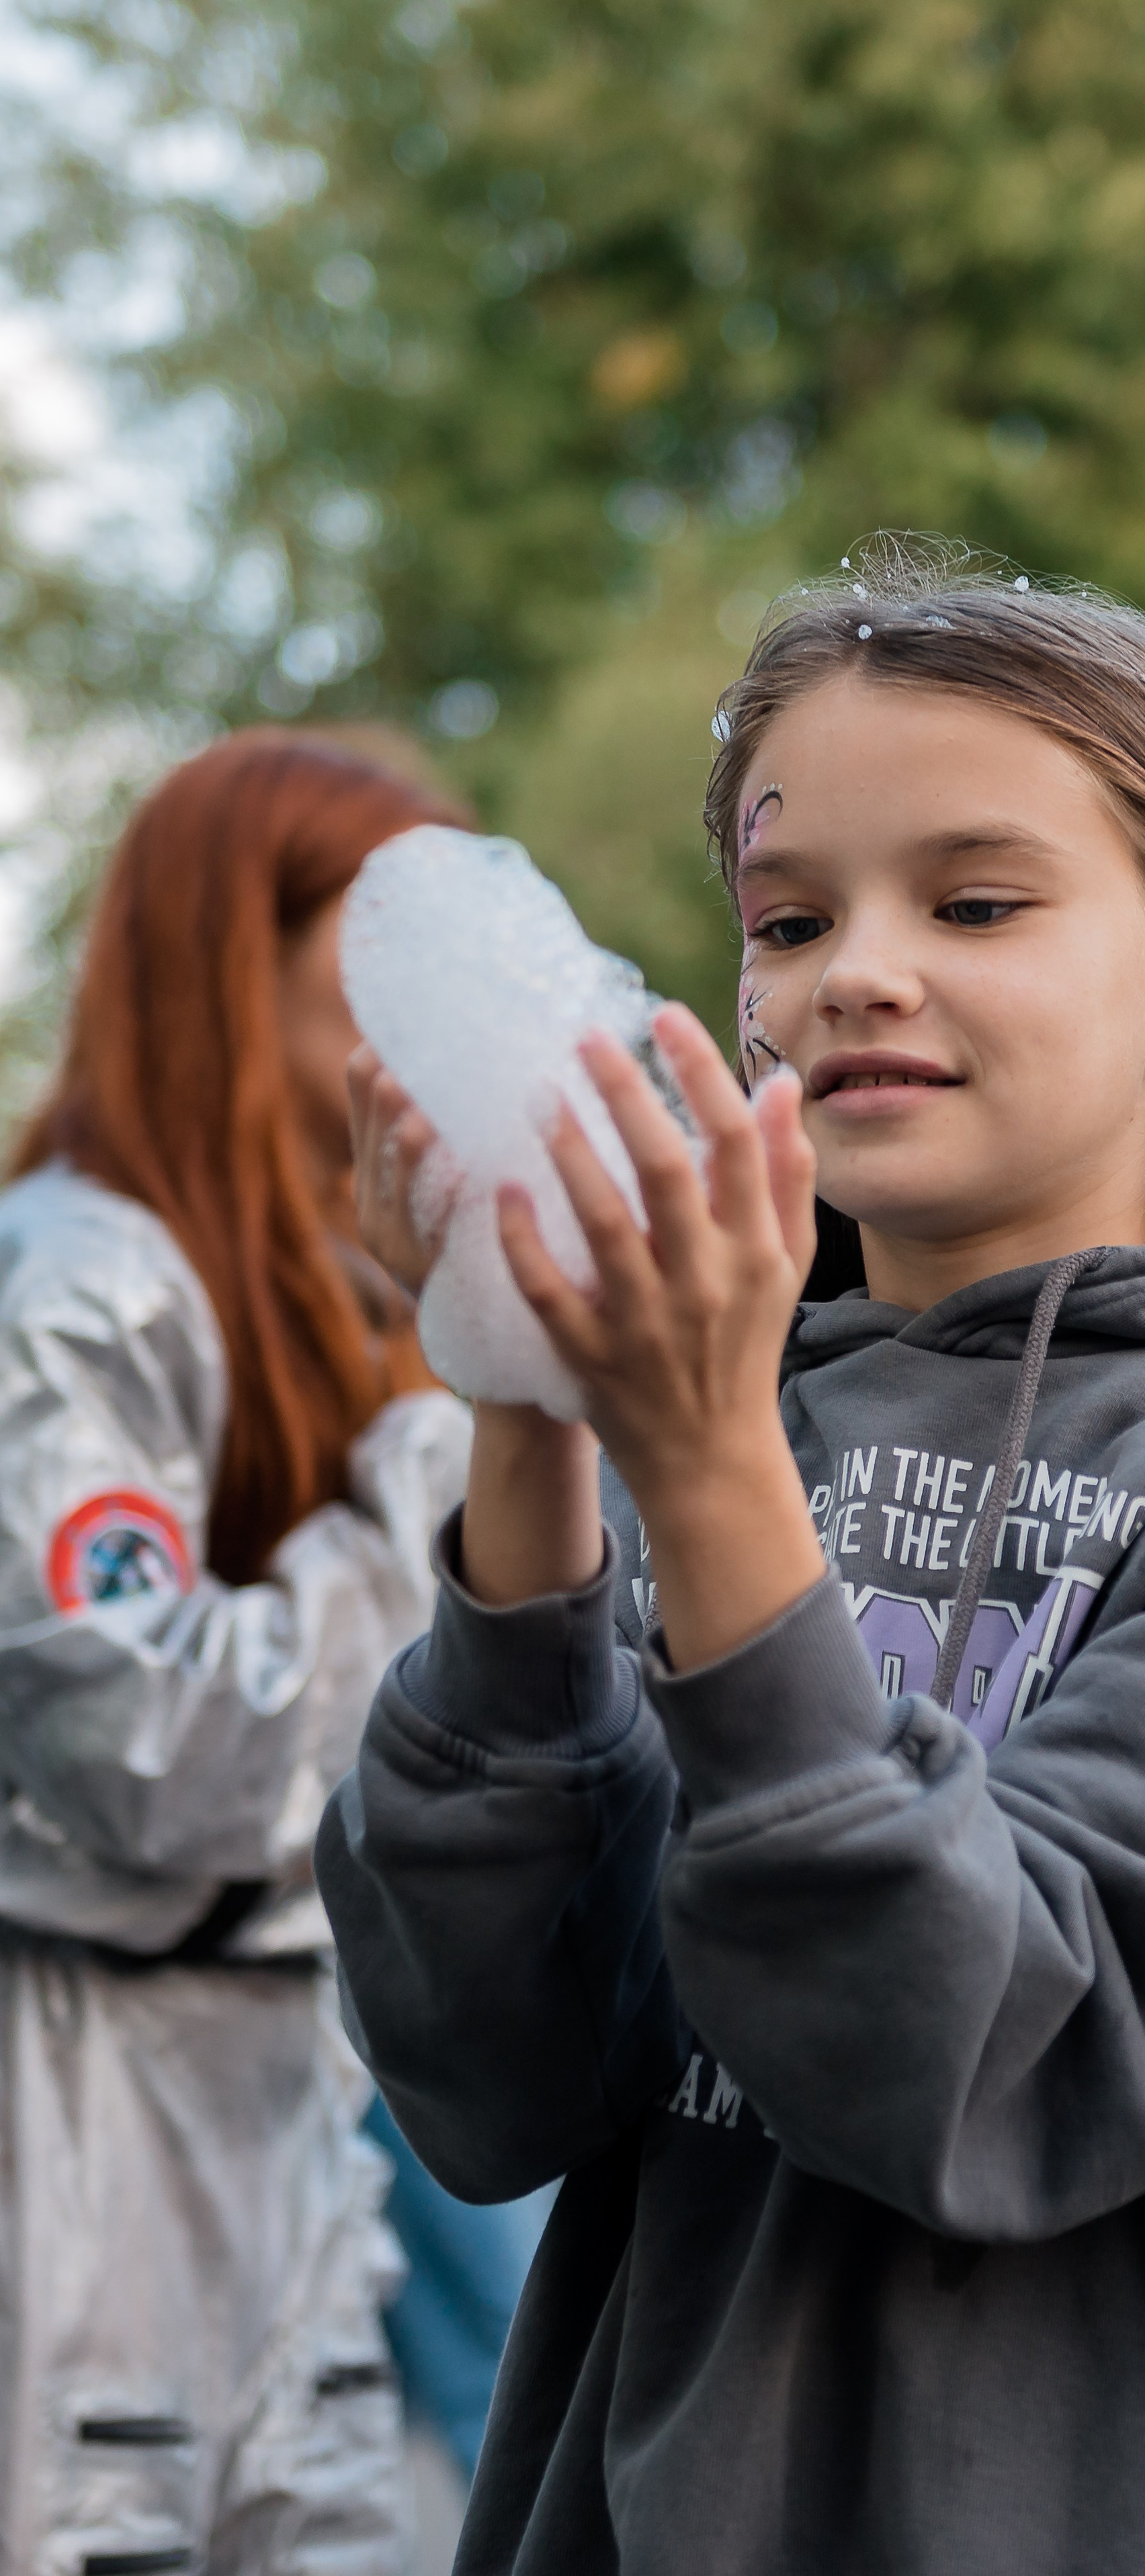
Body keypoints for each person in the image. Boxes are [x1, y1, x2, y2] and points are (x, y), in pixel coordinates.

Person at [318, 549, 1145, 2576]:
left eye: (975, 901)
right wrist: (534, 1396)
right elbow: (490, 2073)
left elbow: (977, 2052)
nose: (857, 973)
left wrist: (709, 1464)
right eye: (791, 918)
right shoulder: (714, 1425)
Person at [0, 729, 476, 2571]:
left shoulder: (334, 1295)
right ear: (233, 952)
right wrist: (442, 1454)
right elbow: (150, 1740)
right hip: (86, 2110)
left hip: (281, 2095)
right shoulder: (82, 1282)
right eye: (388, 938)